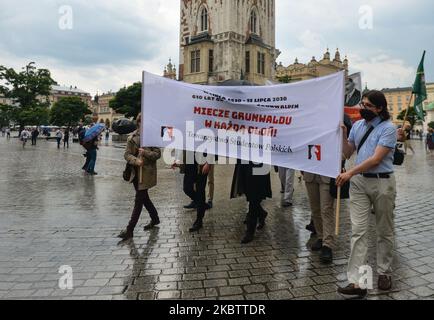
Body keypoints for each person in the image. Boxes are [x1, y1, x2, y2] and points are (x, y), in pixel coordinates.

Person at [336, 90, 397, 298]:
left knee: (384, 230)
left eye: (367, 106)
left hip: (383, 183)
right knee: (358, 232)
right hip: (360, 183)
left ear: (380, 108)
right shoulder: (358, 126)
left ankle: (384, 272)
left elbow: (376, 159)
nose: (362, 108)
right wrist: (343, 134)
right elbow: (347, 152)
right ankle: (358, 283)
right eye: (362, 104)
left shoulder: (388, 128)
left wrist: (350, 172)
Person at [118, 113, 162, 240]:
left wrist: (146, 153)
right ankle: (155, 218)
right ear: (138, 122)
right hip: (135, 174)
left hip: (146, 173)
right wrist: (136, 160)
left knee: (139, 201)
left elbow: (157, 154)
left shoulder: (151, 137)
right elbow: (126, 155)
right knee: (144, 199)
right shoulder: (131, 138)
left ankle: (129, 229)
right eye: (142, 121)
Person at [231, 161, 272, 244]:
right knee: (249, 193)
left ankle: (250, 231)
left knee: (254, 196)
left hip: (259, 164)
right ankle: (261, 213)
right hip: (245, 162)